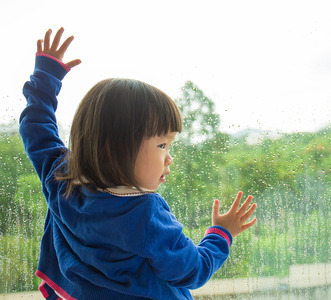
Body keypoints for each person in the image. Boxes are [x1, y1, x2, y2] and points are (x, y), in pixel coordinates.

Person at [19, 27, 257, 300]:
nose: (169, 157)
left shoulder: (59, 177)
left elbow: (35, 127)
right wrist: (221, 233)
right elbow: (192, 271)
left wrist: (46, 75)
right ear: (114, 148)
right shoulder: (144, 213)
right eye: (162, 145)